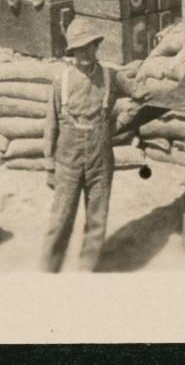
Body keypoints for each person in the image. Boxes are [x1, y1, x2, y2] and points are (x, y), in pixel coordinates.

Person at [41, 19, 146, 273]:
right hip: (68, 159)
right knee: (60, 218)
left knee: (97, 217)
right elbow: (51, 125)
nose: (86, 52)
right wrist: (49, 165)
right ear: (72, 51)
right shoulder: (62, 82)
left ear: (97, 46)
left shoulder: (110, 77)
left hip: (100, 157)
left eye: (90, 46)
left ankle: (87, 270)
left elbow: (140, 96)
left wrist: (120, 121)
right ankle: (47, 271)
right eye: (80, 48)